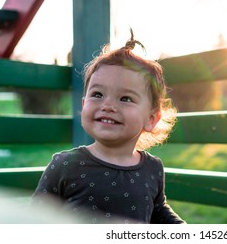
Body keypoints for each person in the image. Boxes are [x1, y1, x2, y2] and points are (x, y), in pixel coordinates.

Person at [32, 29, 185, 224]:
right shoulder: (65, 165)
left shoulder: (153, 168)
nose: (108, 106)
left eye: (125, 98)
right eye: (97, 95)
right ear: (83, 104)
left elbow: (158, 211)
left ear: (151, 119)